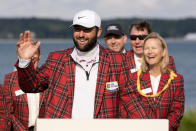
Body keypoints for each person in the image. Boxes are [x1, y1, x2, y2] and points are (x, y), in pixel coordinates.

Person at [15, 9, 147, 119]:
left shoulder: (118, 60)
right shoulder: (57, 59)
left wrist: (147, 125)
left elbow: (131, 99)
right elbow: (31, 86)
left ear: (99, 32)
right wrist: (25, 62)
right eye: (77, 29)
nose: (81, 34)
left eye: (87, 29)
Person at [132, 32, 184, 131]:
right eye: (146, 48)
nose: (149, 51)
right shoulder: (135, 79)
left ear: (163, 52)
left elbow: (177, 112)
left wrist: (162, 129)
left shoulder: (176, 80)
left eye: (154, 48)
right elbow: (133, 109)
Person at [2, 41, 46, 131]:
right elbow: (7, 112)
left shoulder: (47, 78)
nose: (31, 56)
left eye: (34, 53)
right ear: (20, 56)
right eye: (27, 53)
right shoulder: (10, 79)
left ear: (40, 56)